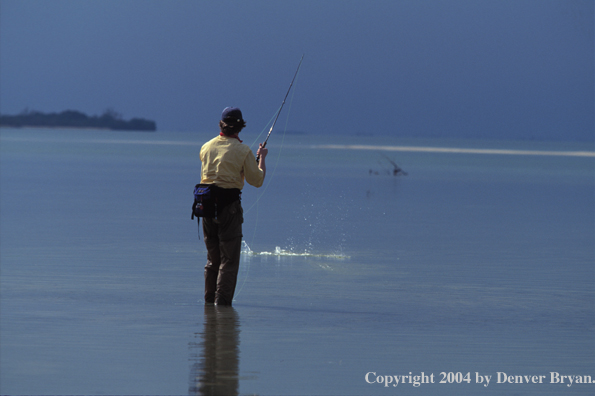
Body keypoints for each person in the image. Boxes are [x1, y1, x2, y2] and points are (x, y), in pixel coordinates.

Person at [199, 107, 268, 306]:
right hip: (228, 209)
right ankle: (222, 308)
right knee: (228, 261)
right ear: (240, 126)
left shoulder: (206, 147)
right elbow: (257, 180)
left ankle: (208, 308)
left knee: (213, 260)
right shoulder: (243, 150)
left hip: (205, 208)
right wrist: (261, 157)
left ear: (221, 124)